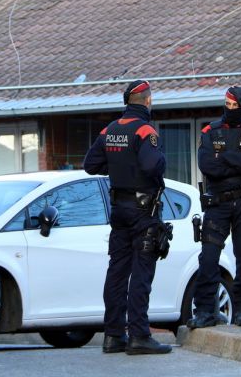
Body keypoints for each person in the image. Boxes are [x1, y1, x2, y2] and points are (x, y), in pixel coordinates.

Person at [83, 80, 172, 355]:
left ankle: (113, 336)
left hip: (118, 211)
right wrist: (158, 160)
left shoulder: (110, 130)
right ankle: (139, 335)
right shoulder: (145, 130)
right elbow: (152, 165)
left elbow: (91, 165)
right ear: (147, 101)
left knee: (117, 273)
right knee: (142, 273)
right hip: (143, 212)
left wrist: (119, 164)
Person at [187, 86, 241, 329]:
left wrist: (225, 158)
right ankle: (204, 311)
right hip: (217, 203)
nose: (230, 109)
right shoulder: (211, 131)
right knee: (208, 258)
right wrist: (237, 159)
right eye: (227, 104)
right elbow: (207, 165)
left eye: (235, 106)